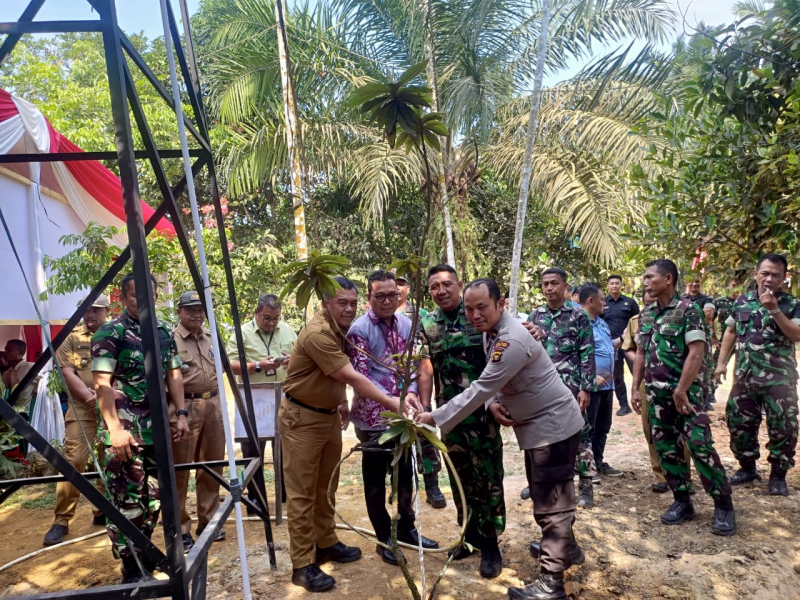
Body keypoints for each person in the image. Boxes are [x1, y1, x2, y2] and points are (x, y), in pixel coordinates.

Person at [416, 279, 586, 600]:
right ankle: (568, 549)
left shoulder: (510, 338)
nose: (475, 315)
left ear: (501, 304)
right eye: (469, 309)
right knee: (545, 496)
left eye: (483, 307)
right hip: (539, 427)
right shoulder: (490, 331)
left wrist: (433, 417)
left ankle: (552, 584)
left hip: (553, 427)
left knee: (552, 505)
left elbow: (482, 387)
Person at [280, 276, 402, 593]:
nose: (348, 309)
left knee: (326, 486)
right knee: (302, 494)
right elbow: (348, 374)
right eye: (340, 302)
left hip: (327, 416)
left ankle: (326, 542)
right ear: (325, 304)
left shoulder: (340, 330)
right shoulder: (318, 334)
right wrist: (392, 402)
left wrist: (341, 401)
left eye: (352, 302)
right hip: (301, 420)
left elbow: (332, 379)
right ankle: (303, 565)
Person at [91, 273, 190, 583]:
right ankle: (131, 567)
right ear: (123, 298)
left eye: (149, 294)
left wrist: (182, 414)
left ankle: (144, 553)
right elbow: (101, 383)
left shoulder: (162, 331)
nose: (144, 300)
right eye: (136, 295)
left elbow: (173, 375)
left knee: (156, 497)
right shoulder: (111, 332)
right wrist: (115, 430)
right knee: (128, 501)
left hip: (156, 431)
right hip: (125, 432)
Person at [631, 260, 735, 536]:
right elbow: (640, 353)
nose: (645, 282)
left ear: (668, 279)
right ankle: (682, 501)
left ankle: (723, 505)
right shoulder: (647, 314)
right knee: (666, 449)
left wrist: (681, 390)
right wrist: (635, 387)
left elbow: (697, 352)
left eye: (649, 277)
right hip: (657, 396)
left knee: (700, 446)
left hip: (687, 397)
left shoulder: (690, 310)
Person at [417, 264, 506, 579]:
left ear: (459, 284)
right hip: (449, 416)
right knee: (459, 477)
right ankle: (469, 536)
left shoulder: (479, 316)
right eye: (434, 287)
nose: (441, 291)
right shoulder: (427, 322)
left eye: (446, 284)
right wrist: (426, 408)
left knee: (489, 477)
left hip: (483, 414)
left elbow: (504, 352)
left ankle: (492, 543)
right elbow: (426, 367)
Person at [347, 270, 438, 566]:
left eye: (392, 295)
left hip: (404, 416)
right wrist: (394, 399)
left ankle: (407, 529)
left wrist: (410, 392)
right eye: (380, 296)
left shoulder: (407, 323)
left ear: (400, 295)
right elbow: (361, 379)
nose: (387, 301)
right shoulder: (359, 330)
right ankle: (384, 537)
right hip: (374, 418)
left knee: (405, 476)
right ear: (369, 298)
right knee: (375, 481)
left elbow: (413, 366)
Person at [715, 253, 800, 496]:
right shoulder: (742, 301)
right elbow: (731, 331)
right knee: (739, 424)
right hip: (745, 377)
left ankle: (778, 476)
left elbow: (796, 335)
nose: (769, 279)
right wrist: (721, 363)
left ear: (784, 278)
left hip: (780, 381)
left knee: (783, 428)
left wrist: (774, 310)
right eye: (765, 273)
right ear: (755, 275)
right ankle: (747, 468)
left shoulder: (792, 304)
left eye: (775, 275)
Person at [43, 295, 111, 546]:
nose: (90, 314)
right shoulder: (71, 337)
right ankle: (61, 519)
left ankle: (103, 510)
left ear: (107, 311)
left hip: (113, 405)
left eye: (96, 309)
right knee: (75, 459)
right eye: (86, 310)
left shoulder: (117, 333)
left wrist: (108, 397)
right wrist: (88, 396)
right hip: (82, 407)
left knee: (109, 458)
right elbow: (66, 371)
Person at [526, 267, 597, 509]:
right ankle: (543, 482)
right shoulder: (535, 316)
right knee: (544, 437)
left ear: (565, 286)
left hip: (572, 389)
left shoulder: (579, 316)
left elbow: (587, 353)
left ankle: (586, 484)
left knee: (581, 436)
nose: (549, 288)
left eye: (554, 283)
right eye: (545, 284)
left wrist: (585, 388)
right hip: (543, 390)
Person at [226, 293, 297, 511]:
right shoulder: (241, 334)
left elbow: (301, 358)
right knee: (252, 449)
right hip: (254, 397)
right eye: (267, 318)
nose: (272, 323)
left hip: (285, 394)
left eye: (275, 318)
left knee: (286, 447)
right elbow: (230, 364)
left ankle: (285, 494)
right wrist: (257, 365)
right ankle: (256, 499)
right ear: (256, 313)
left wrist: (290, 361)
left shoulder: (287, 330)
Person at [171, 291, 226, 551]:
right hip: (185, 408)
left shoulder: (210, 338)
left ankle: (209, 521)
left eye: (200, 309)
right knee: (179, 470)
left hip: (213, 404)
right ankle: (180, 527)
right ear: (179, 312)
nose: (197, 314)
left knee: (212, 466)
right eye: (191, 309)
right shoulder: (171, 340)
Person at [623, 290, 692, 493]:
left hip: (677, 382)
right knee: (652, 429)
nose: (651, 307)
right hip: (649, 381)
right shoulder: (638, 319)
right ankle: (662, 476)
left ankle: (684, 476)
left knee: (682, 430)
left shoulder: (685, 312)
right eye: (647, 303)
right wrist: (637, 379)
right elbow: (631, 348)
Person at [394, 271, 445, 508]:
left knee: (425, 435)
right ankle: (401, 488)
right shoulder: (372, 317)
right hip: (390, 392)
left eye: (401, 284)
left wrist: (425, 399)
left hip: (417, 387)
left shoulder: (422, 317)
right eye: (393, 284)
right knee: (396, 441)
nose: (397, 288)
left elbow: (425, 359)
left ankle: (432, 485)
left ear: (408, 289)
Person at [580, 284, 623, 478]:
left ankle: (598, 462)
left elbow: (610, 348)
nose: (605, 303)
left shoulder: (601, 323)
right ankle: (586, 469)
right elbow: (575, 355)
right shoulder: (579, 322)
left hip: (608, 385)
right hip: (591, 386)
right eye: (602, 299)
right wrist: (588, 377)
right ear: (591, 301)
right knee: (589, 428)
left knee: (603, 427)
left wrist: (625, 337)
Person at [601, 274, 639, 416]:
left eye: (617, 283)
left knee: (637, 371)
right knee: (617, 376)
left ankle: (641, 399)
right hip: (612, 345)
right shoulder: (603, 302)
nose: (615, 286)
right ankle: (624, 405)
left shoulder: (630, 302)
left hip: (629, 344)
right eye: (612, 283)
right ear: (608, 286)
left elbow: (637, 321)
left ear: (621, 285)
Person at [681, 276, 717, 411]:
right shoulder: (681, 298)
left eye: (697, 281)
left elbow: (708, 314)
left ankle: (705, 398)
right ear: (686, 282)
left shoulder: (708, 299)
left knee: (705, 367)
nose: (695, 283)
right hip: (684, 337)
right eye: (692, 281)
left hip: (703, 337)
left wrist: (685, 315)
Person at [3, 339, 37, 418]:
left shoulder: (29, 367)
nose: (5, 353)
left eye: (9, 350)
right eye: (5, 349)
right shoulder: (7, 373)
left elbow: (49, 379)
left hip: (26, 413)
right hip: (13, 412)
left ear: (21, 352)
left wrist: (38, 387)